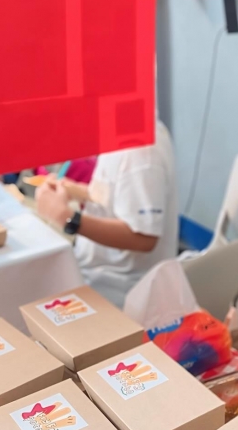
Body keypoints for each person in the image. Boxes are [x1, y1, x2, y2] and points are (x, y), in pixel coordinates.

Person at [36, 121, 178, 308]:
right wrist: (80, 191)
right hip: (97, 271)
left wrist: (67, 218)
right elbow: (119, 195)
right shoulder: (117, 131)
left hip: (118, 290)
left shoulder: (139, 152)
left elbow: (144, 238)